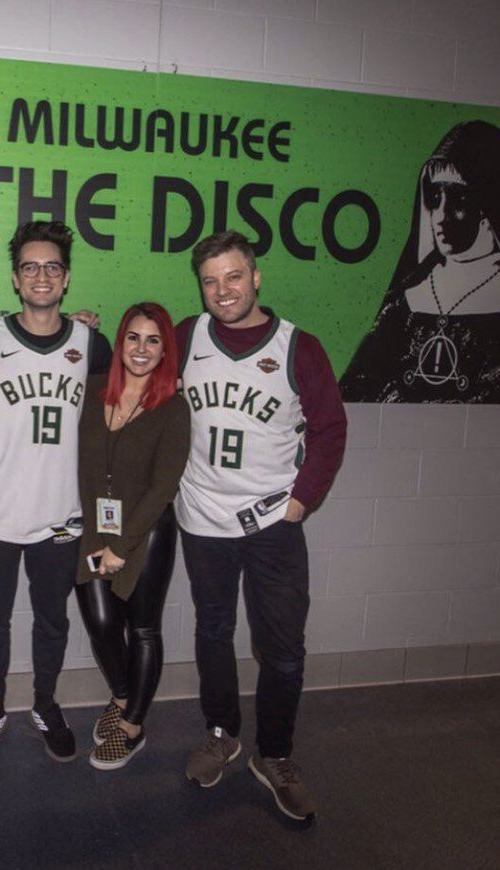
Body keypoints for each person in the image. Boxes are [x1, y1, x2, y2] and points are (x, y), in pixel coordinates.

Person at [176, 230, 346, 821]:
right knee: (212, 632)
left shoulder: (299, 347)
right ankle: (222, 733)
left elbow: (329, 430)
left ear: (256, 277)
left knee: (283, 649)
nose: (222, 291)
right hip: (202, 521)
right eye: (210, 281)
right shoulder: (186, 336)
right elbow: (133, 362)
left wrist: (303, 499)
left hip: (272, 523)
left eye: (233, 277)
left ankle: (274, 755)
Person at [0, 220, 112, 766]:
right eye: (31, 267)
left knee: (53, 619)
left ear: (65, 279)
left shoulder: (90, 343)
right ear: (16, 280)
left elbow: (124, 402)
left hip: (61, 516)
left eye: (53, 267)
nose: (42, 276)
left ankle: (45, 703)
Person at [75, 302, 190, 770]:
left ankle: (133, 725)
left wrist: (122, 547)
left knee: (142, 630)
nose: (141, 350)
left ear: (165, 351)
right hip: (93, 527)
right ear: (119, 343)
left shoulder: (172, 407)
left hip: (147, 532)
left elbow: (165, 487)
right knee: (101, 621)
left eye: (153, 340)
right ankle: (123, 697)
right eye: (133, 338)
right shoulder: (91, 392)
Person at [339, 120, 500, 403]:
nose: (441, 214)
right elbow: (356, 386)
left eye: (459, 198)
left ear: (487, 204)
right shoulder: (409, 294)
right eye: (436, 196)